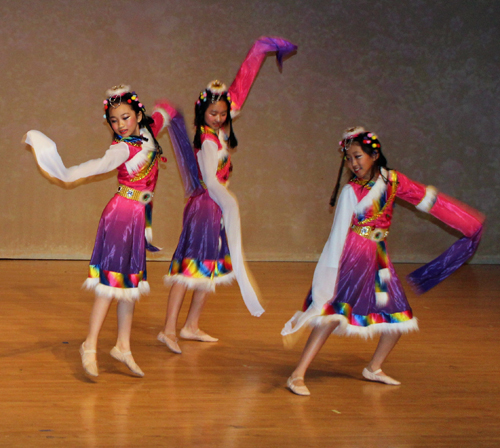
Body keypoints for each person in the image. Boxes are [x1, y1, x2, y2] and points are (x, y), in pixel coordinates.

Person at [281, 126, 484, 396]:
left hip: (378, 255)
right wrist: (327, 276)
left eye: (358, 156)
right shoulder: (350, 192)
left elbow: (426, 199)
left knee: (398, 316)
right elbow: (337, 236)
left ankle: (373, 367)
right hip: (353, 255)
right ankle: (297, 375)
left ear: (374, 154)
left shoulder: (394, 181)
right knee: (332, 313)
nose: (354, 164)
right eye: (349, 158)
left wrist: (465, 221)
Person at [158, 37, 297, 354]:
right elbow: (209, 180)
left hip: (214, 207)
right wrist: (229, 202)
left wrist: (262, 49)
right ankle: (168, 329)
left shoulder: (219, 130)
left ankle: (190, 325)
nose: (220, 117)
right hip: (207, 206)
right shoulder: (207, 141)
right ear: (202, 113)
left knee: (208, 268)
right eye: (214, 113)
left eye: (223, 113)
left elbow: (239, 91)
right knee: (189, 269)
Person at [25, 85, 171, 377]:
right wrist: (66, 173)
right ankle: (89, 344)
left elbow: (165, 112)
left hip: (137, 218)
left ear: (138, 114)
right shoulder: (122, 147)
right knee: (109, 285)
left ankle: (123, 346)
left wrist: (173, 112)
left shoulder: (148, 129)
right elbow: (96, 166)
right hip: (120, 216)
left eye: (125, 117)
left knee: (128, 287)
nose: (120, 124)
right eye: (114, 120)